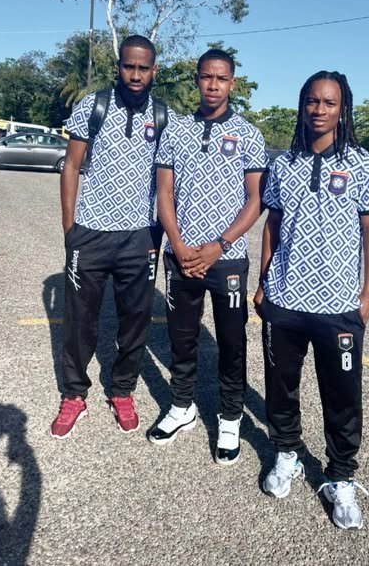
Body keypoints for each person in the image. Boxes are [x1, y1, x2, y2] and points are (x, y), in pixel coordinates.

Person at [254, 70, 369, 529]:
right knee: (281, 387)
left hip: (339, 306)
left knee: (343, 396)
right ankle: (287, 453)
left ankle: (341, 476)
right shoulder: (283, 164)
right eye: (312, 101)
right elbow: (272, 225)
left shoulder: (363, 164)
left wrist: (367, 293)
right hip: (285, 299)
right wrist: (264, 281)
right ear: (302, 105)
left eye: (329, 102)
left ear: (342, 108)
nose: (319, 109)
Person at [50, 35, 176, 439]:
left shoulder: (164, 116)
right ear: (118, 67)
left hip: (139, 236)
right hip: (90, 233)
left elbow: (169, 181)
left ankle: (122, 391)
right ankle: (74, 395)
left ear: (154, 70)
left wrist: (161, 233)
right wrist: (70, 228)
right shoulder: (93, 106)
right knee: (79, 321)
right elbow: (71, 167)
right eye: (129, 66)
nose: (135, 75)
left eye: (143, 68)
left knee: (135, 320)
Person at [149, 48, 268, 465]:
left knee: (232, 342)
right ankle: (182, 406)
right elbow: (164, 193)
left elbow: (255, 200)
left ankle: (230, 417)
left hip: (227, 258)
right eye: (206, 77)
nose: (213, 85)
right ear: (197, 79)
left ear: (232, 83)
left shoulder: (249, 135)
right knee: (181, 338)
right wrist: (178, 245)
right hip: (181, 256)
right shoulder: (176, 130)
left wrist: (220, 244)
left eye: (221, 78)